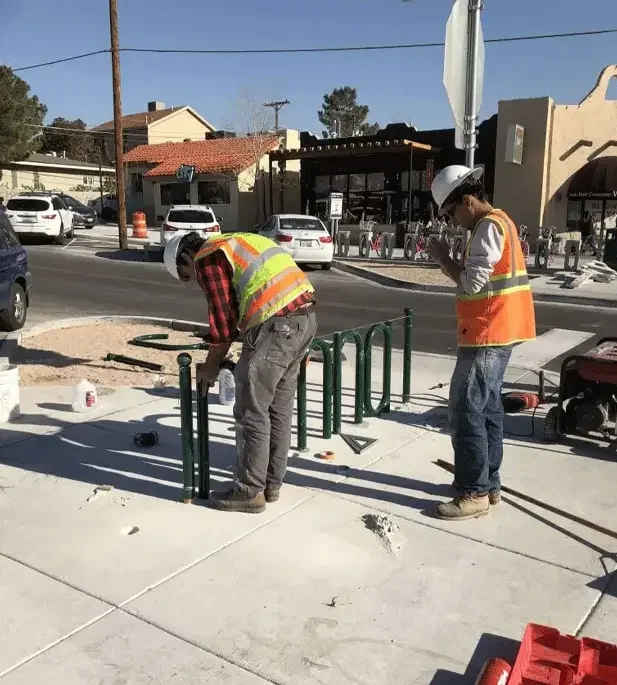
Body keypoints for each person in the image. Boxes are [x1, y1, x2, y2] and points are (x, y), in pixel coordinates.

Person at [164, 231, 317, 514]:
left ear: (186, 258)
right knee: (277, 409)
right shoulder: (237, 241)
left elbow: (223, 324)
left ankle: (248, 492)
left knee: (250, 410)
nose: (192, 280)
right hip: (304, 319)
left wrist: (210, 367)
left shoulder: (207, 258)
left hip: (277, 324)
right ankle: (271, 484)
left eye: (186, 275)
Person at [427, 165, 536, 521]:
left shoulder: (489, 226)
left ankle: (473, 492)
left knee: (466, 410)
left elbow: (472, 284)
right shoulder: (498, 223)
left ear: (468, 200)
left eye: (452, 211)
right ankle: (488, 484)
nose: (454, 219)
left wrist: (444, 258)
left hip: (487, 334)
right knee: (488, 410)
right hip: (495, 331)